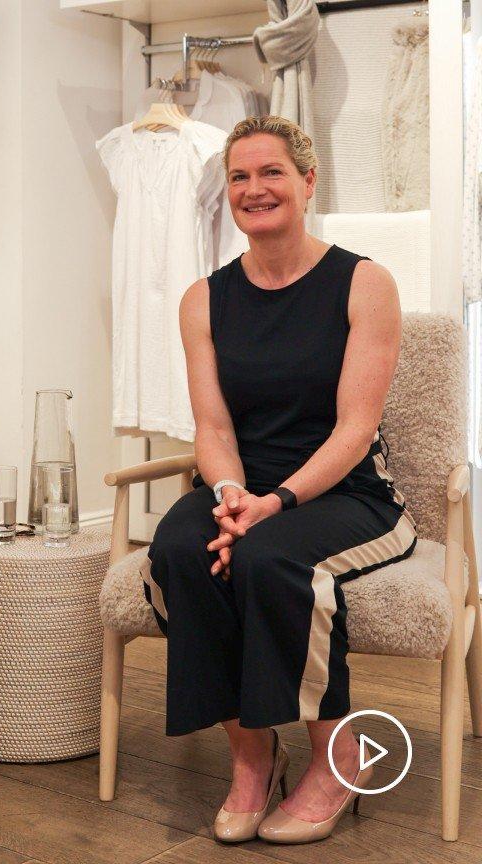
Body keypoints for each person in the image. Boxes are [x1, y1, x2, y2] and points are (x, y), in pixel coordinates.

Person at [143, 115, 416, 845]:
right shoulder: (203, 299)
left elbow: (354, 431)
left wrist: (275, 505)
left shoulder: (364, 283)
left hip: (346, 492)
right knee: (176, 549)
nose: (255, 189)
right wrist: (233, 498)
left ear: (307, 181)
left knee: (271, 556)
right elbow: (214, 430)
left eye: (271, 173)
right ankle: (252, 758)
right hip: (247, 489)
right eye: (239, 177)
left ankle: (337, 757)